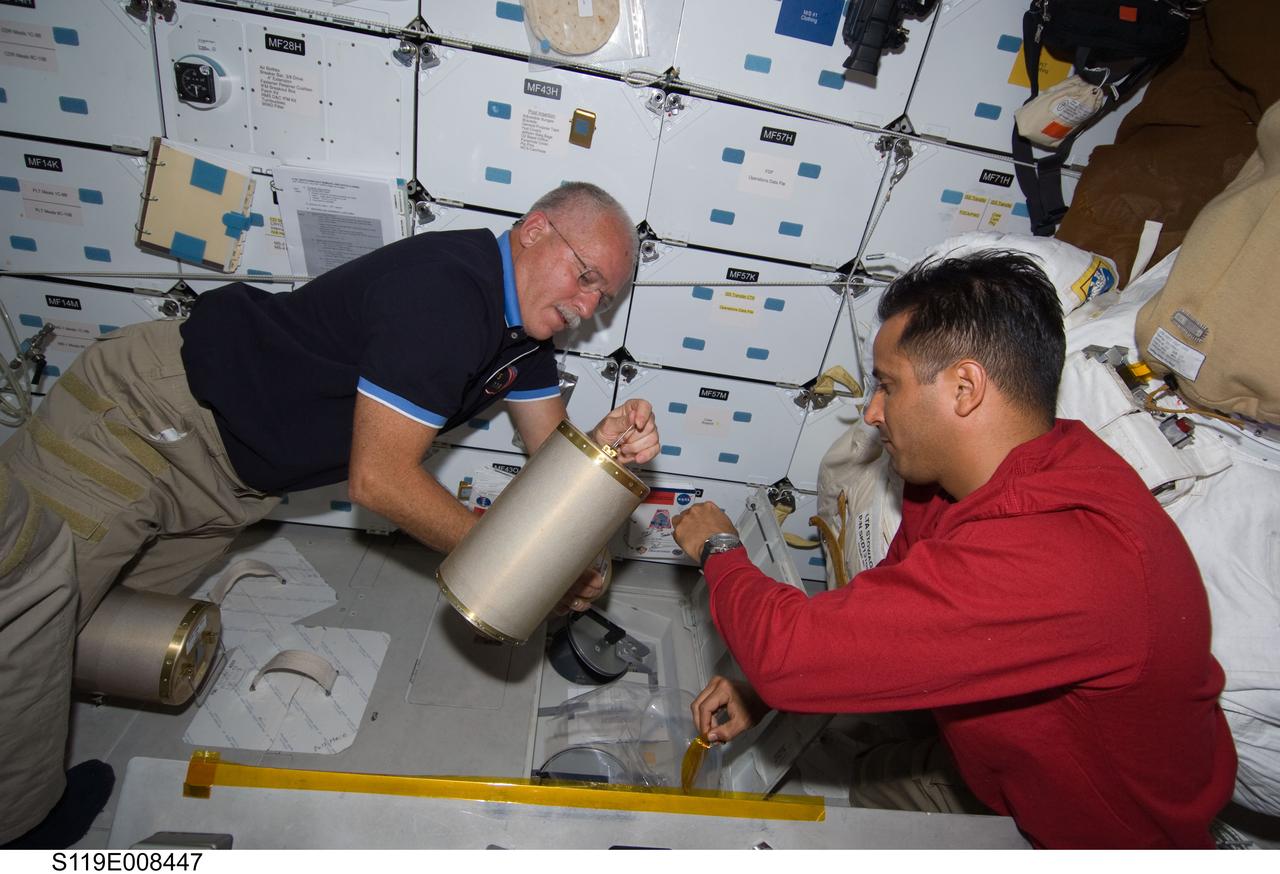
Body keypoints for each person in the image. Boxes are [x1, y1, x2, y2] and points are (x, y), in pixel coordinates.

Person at [0, 181, 659, 846]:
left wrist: (605, 460)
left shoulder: (523, 340)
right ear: (536, 229)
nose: (584, 308)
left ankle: (25, 784)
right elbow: (379, 481)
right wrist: (521, 572)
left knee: (97, 624)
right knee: (24, 631)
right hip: (146, 422)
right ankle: (22, 830)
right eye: (585, 278)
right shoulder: (447, 294)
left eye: (602, 300)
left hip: (226, 474)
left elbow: (556, 467)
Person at [671, 250, 1236, 848]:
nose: (872, 412)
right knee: (862, 789)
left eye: (888, 385)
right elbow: (876, 613)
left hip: (1097, 834)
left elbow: (788, 654)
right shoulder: (968, 479)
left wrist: (720, 547)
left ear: (965, 387)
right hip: (991, 762)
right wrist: (763, 690)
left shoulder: (1061, 558)